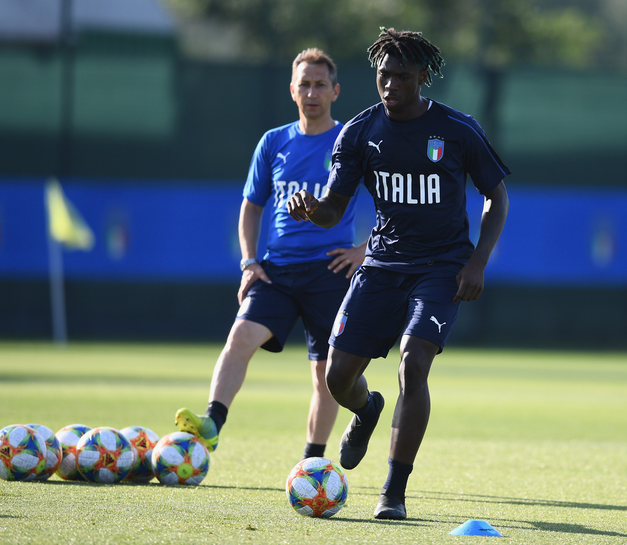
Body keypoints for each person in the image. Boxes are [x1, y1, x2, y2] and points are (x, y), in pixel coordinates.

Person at [286, 28, 510, 520]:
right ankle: (367, 411)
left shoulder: (457, 129)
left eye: (401, 76)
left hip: (441, 268)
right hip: (381, 267)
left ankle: (393, 490)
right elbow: (332, 210)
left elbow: (496, 197)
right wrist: (311, 209)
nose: (390, 85)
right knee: (337, 377)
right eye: (383, 75)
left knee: (414, 363)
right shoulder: (360, 132)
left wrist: (477, 262)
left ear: (422, 77)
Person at [176, 48, 367, 462]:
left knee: (326, 375)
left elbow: (391, 203)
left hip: (329, 271)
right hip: (276, 270)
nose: (311, 91)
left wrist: (363, 250)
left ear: (335, 91)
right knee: (240, 337)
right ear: (292, 90)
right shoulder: (274, 142)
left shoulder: (349, 140)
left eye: (320, 84)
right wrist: (249, 261)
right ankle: (211, 425)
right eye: (304, 84)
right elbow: (251, 205)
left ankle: (312, 461)